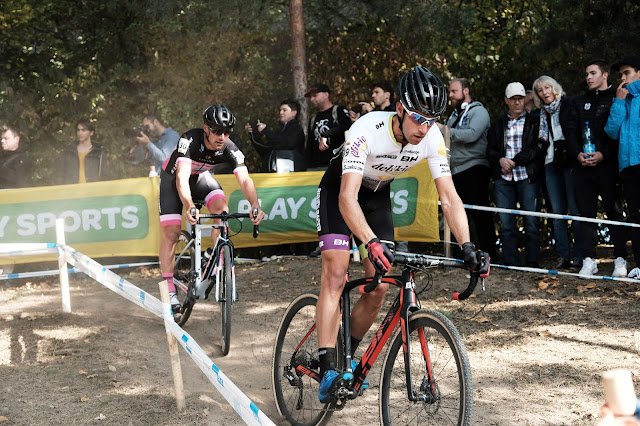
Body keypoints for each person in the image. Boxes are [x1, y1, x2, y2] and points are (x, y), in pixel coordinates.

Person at [313, 66, 489, 403]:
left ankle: (345, 357)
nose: (425, 128)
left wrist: (467, 246)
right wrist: (370, 242)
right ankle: (326, 367)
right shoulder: (366, 129)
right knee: (336, 275)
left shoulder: (432, 138)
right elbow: (347, 198)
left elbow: (449, 197)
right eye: (418, 118)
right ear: (400, 110)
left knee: (378, 286)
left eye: (432, 119)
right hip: (341, 192)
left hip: (378, 196)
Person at [158, 104, 265, 309]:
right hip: (173, 182)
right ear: (206, 128)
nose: (222, 136)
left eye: (227, 132)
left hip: (200, 179)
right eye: (217, 131)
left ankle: (211, 257)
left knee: (222, 211)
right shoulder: (189, 140)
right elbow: (181, 178)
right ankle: (169, 288)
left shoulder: (229, 148)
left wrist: (255, 204)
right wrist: (188, 205)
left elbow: (244, 180)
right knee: (171, 233)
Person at [566, 60, 628, 278]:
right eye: (586, 74)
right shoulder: (578, 101)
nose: (588, 78)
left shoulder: (617, 98)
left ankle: (620, 259)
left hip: (608, 166)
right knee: (585, 214)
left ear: (605, 74)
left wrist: (604, 154)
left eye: (593, 73)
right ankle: (589, 260)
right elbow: (570, 131)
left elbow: (619, 131)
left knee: (614, 211)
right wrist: (577, 154)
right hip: (582, 166)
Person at [487, 82, 547, 267]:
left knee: (531, 221)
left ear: (525, 99)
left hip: (527, 176)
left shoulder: (534, 121)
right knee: (506, 224)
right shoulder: (498, 124)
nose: (517, 103)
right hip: (504, 179)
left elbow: (539, 146)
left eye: (520, 99)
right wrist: (500, 160)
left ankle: (532, 262)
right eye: (513, 99)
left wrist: (515, 161)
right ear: (506, 100)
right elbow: (490, 150)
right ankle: (511, 262)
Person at [438, 78, 497, 260]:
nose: (451, 95)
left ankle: (490, 255)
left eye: (454, 91)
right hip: (455, 171)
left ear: (466, 91)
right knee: (458, 213)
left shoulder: (479, 111)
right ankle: (462, 254)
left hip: (475, 167)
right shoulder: (454, 115)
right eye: (450, 92)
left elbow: (472, 135)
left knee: (480, 214)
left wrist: (444, 130)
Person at [532, 75, 583, 270]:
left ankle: (579, 255)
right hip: (549, 163)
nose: (545, 92)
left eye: (547, 87)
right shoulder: (540, 114)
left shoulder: (569, 104)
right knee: (557, 213)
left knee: (575, 210)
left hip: (570, 162)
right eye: (540, 90)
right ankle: (563, 255)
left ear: (555, 87)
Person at [605, 56, 640, 279]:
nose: (622, 78)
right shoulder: (622, 99)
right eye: (621, 75)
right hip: (628, 166)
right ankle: (639, 264)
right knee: (635, 215)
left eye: (626, 73)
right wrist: (618, 101)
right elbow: (611, 131)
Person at [245, 99, 305, 173]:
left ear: (294, 113)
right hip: (273, 174)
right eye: (280, 110)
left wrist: (267, 131)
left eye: (284, 110)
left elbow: (285, 144)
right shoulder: (278, 131)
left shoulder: (296, 129)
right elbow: (265, 150)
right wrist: (254, 135)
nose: (281, 113)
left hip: (290, 174)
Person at [304, 83, 351, 171]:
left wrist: (326, 134)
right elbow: (310, 144)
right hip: (315, 167)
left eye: (315, 96)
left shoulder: (338, 111)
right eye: (310, 97)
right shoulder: (313, 118)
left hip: (336, 164)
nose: (312, 99)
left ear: (326, 95)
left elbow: (347, 127)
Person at [58, 119, 107, 184]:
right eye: (78, 130)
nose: (80, 133)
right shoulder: (68, 151)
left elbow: (104, 176)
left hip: (92, 192)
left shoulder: (99, 152)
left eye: (83, 130)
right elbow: (59, 175)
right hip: (72, 192)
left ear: (91, 133)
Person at [0, 124, 31, 189]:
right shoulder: (3, 158)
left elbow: (19, 181)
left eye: (6, 138)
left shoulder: (21, 158)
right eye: (2, 138)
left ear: (16, 140)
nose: (2, 141)